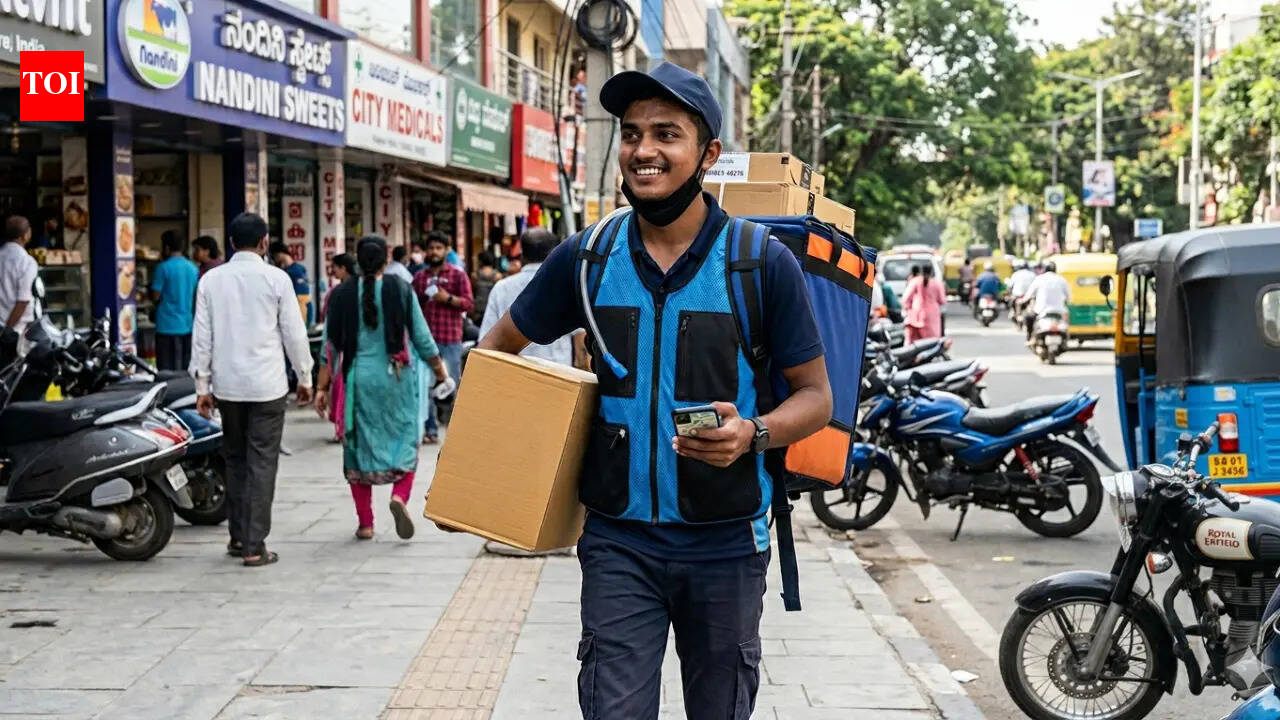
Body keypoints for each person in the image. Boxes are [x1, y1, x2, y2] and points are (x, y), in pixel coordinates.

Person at [471, 61, 832, 720]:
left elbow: (817, 398)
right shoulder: (587, 258)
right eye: (632, 133)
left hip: (726, 544)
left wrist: (752, 434)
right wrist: (513, 468)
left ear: (707, 154)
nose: (644, 149)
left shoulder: (758, 263)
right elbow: (495, 356)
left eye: (666, 133)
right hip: (618, 543)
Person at [192, 213, 313, 567]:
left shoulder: (211, 281)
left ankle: (238, 535)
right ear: (264, 243)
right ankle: (254, 545)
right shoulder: (277, 279)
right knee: (262, 461)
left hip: (227, 386)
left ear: (231, 243)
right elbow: (294, 332)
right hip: (267, 385)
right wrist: (304, 376)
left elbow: (202, 335)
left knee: (235, 459)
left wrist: (202, 384)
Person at [314, 236, 455, 540]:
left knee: (356, 448)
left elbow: (329, 348)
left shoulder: (340, 294)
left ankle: (365, 523)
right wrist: (441, 373)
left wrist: (321, 389)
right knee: (406, 440)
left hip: (357, 380)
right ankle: (399, 497)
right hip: (396, 377)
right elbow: (422, 338)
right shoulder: (400, 289)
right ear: (386, 259)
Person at [480, 228, 584, 367]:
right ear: (555, 252)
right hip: (559, 377)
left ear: (522, 254)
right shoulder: (567, 284)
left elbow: (486, 343)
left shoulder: (501, 288)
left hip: (514, 377)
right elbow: (580, 342)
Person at [412, 231, 473, 444]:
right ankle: (431, 430)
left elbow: (468, 304)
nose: (434, 252)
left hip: (450, 340)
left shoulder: (457, 275)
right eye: (431, 248)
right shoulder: (420, 278)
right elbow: (413, 307)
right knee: (425, 386)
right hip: (426, 342)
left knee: (451, 385)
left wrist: (446, 298)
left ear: (447, 250)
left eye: (439, 248)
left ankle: (455, 430)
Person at [319, 253, 356, 442]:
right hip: (354, 348)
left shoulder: (337, 292)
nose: (332, 271)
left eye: (335, 267)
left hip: (341, 348)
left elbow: (328, 321)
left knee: (341, 390)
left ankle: (342, 429)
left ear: (343, 268)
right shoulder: (363, 288)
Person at [150, 230, 199, 371]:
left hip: (166, 326)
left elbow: (156, 296)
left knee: (167, 369)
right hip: (187, 324)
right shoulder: (193, 268)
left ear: (166, 248)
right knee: (184, 367)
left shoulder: (163, 268)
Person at [0, 215, 38, 363]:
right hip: (16, 332)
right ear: (25, 235)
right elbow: (23, 301)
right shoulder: (26, 262)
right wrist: (7, 330)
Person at [1024, 260, 1072, 343]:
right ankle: (1066, 339)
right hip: (1059, 310)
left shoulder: (1039, 279)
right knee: (1066, 318)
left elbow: (1029, 294)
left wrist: (1023, 300)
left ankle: (1029, 337)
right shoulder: (1061, 280)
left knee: (1028, 317)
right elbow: (1069, 297)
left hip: (1041, 310)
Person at [269, 241, 311, 324]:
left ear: (279, 254)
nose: (274, 260)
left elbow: (301, 298)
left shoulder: (294, 271)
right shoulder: (299, 268)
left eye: (274, 256)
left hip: (299, 315)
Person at [903, 263, 946, 343]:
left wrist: (908, 309)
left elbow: (906, 299)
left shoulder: (914, 281)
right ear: (931, 272)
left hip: (917, 315)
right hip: (932, 316)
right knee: (932, 342)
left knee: (915, 342)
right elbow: (942, 300)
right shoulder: (937, 284)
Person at [470, 251, 501, 325]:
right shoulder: (497, 276)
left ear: (480, 261)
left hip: (478, 311)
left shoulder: (475, 275)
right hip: (493, 309)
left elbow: (472, 293)